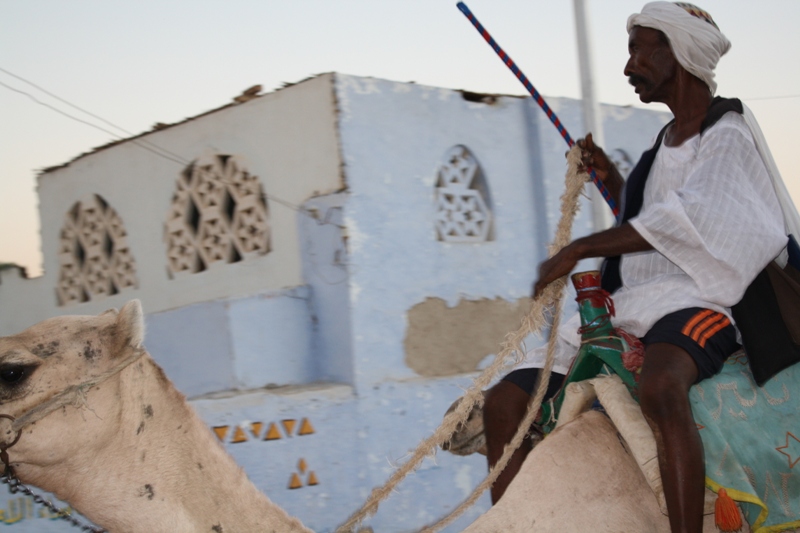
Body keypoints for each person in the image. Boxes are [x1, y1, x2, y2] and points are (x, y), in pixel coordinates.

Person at [486, 2, 799, 531]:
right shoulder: (663, 143)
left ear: (677, 51)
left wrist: (578, 248)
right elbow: (653, 222)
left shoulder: (728, 133)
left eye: (639, 48)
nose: (629, 66)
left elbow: (692, 221)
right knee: (504, 401)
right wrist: (609, 177)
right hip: (633, 305)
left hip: (703, 302)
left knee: (660, 387)